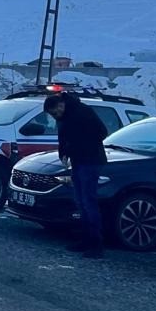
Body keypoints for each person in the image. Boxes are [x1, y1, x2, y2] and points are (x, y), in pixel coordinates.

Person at [45, 91, 109, 258]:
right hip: (78, 160)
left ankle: (96, 243)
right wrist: (63, 153)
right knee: (80, 202)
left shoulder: (83, 112)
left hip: (90, 160)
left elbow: (101, 132)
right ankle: (86, 239)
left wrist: (77, 147)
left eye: (55, 113)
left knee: (88, 201)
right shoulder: (64, 117)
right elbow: (63, 138)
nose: (55, 116)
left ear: (60, 105)